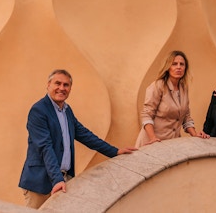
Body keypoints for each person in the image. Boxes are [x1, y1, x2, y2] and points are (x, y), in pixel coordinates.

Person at [19, 69, 135, 209]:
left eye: (66, 85)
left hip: (64, 179)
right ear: (48, 85)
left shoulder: (67, 110)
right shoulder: (38, 110)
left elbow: (86, 136)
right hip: (40, 182)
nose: (62, 88)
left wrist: (115, 151)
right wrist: (57, 180)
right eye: (58, 83)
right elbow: (45, 147)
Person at [135, 50, 203, 147]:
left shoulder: (184, 88)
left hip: (172, 144)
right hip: (152, 142)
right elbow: (147, 114)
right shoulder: (158, 86)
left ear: (185, 68)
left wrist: (195, 135)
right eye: (174, 64)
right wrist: (153, 138)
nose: (178, 67)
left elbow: (186, 117)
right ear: (168, 67)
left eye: (182, 64)